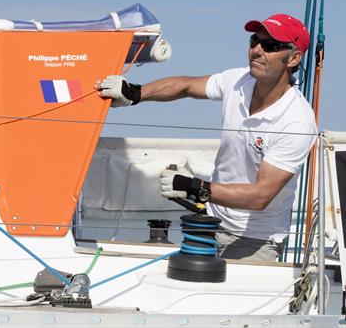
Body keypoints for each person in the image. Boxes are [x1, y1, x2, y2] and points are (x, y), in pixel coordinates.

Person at [95, 14, 317, 262]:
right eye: (254, 41)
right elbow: (187, 86)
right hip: (211, 224)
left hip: (256, 240)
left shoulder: (297, 120)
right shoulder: (238, 80)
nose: (256, 50)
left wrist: (196, 188)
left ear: (294, 58)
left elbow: (260, 196)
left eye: (270, 46)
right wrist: (135, 93)